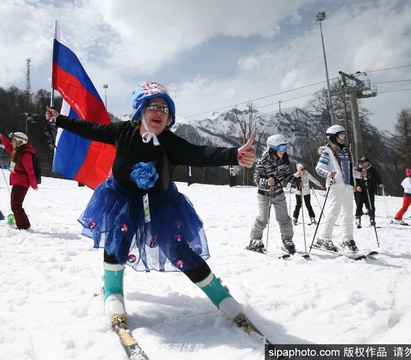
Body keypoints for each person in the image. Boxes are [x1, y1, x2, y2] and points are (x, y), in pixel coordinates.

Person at [44, 81, 256, 323]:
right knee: (118, 240)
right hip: (123, 199)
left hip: (161, 206)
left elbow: (199, 153)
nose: (159, 112)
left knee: (179, 250)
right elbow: (90, 128)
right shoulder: (123, 131)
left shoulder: (170, 142)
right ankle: (113, 292)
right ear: (140, 110)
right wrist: (59, 119)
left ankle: (221, 297)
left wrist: (234, 155)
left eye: (165, 109)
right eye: (153, 106)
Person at [248, 134, 301, 254]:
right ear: (272, 148)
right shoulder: (263, 161)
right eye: (281, 148)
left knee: (284, 219)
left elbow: (287, 174)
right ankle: (255, 240)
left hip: (278, 193)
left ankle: (288, 240)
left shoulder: (284, 159)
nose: (284, 151)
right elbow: (256, 178)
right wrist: (266, 182)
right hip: (264, 194)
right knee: (263, 218)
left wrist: (296, 181)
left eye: (285, 147)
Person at [314, 125, 362, 252]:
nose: (344, 138)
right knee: (333, 212)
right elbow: (319, 168)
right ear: (333, 137)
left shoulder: (346, 151)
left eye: (345, 135)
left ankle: (347, 239)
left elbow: (348, 170)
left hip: (347, 185)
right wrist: (329, 174)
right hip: (335, 185)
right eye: (341, 136)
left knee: (348, 214)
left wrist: (359, 174)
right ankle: (323, 238)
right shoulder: (328, 151)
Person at [0, 131, 38, 229]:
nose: (12, 143)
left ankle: (23, 226)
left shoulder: (26, 154)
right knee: (15, 205)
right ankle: (24, 225)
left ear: (19, 142)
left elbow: (30, 170)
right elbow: (8, 147)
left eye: (13, 141)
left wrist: (34, 184)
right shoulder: (17, 151)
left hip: (22, 182)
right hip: (17, 181)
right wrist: (3, 138)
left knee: (16, 205)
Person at [354, 156, 384, 227]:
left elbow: (377, 177)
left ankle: (372, 218)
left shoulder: (372, 169)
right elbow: (355, 179)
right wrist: (357, 186)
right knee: (359, 204)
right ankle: (358, 218)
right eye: (360, 162)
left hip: (370, 189)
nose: (361, 164)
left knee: (370, 205)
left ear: (367, 163)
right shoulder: (358, 169)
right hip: (360, 190)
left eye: (363, 162)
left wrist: (380, 183)